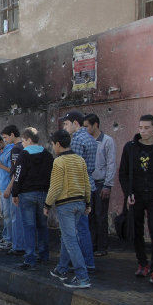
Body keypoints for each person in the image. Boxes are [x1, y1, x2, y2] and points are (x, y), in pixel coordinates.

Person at [119, 114, 153, 284]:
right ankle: (143, 263)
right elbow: (123, 174)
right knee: (137, 231)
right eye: (141, 127)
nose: (143, 131)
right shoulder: (130, 147)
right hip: (136, 195)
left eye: (147, 128)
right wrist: (128, 194)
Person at [44, 130, 92, 289]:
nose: (52, 147)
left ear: (57, 144)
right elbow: (87, 183)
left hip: (66, 205)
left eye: (52, 144)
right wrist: (88, 203)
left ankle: (82, 277)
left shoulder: (59, 162)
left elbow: (56, 186)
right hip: (79, 203)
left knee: (71, 240)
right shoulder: (79, 160)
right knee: (67, 237)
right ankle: (61, 269)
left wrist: (47, 204)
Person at [11, 127, 54, 270]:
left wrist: (15, 193)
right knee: (42, 226)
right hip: (44, 194)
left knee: (29, 227)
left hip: (27, 194)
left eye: (23, 141)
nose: (22, 144)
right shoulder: (47, 154)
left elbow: (18, 176)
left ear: (29, 140)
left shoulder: (23, 155)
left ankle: (30, 258)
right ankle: (44, 255)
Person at [61, 110, 97, 272]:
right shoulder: (90, 138)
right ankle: (88, 261)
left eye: (66, 124)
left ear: (75, 123)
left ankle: (79, 262)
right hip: (89, 185)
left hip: (76, 188)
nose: (64, 127)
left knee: (74, 229)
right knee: (83, 227)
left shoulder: (75, 140)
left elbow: (72, 167)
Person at [84, 114, 116, 257]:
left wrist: (108, 185)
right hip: (90, 182)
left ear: (95, 125)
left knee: (101, 216)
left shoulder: (108, 141)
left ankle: (102, 247)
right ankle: (92, 245)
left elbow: (111, 164)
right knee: (90, 215)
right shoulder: (87, 141)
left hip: (102, 182)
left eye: (87, 126)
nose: (85, 129)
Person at [1, 125, 25, 255]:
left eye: (5, 137)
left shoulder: (16, 149)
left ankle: (17, 246)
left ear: (12, 135)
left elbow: (16, 171)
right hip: (25, 188)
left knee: (15, 218)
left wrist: (9, 189)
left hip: (16, 188)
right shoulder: (24, 148)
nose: (5, 140)